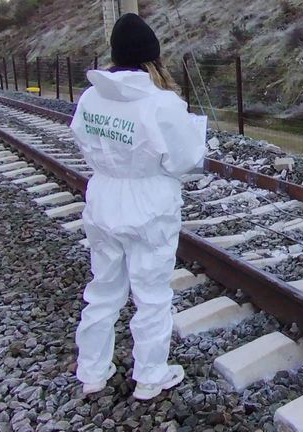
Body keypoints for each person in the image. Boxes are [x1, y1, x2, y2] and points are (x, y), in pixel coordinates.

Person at [70, 13, 206, 400]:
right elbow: (185, 161)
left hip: (104, 198)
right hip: (149, 204)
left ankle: (92, 371)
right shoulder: (162, 103)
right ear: (153, 58)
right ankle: (150, 376)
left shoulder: (91, 97)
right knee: (152, 294)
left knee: (103, 289)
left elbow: (83, 140)